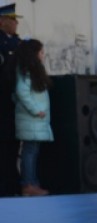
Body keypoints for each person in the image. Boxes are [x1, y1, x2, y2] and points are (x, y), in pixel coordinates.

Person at [14, 38, 53, 197]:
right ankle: (28, 184)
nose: (43, 55)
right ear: (34, 54)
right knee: (30, 152)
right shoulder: (26, 70)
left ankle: (33, 183)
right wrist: (36, 111)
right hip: (32, 118)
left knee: (33, 151)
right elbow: (22, 92)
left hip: (36, 120)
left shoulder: (33, 69)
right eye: (41, 52)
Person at [0, 4, 22, 197]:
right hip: (3, 99)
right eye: (12, 20)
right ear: (2, 22)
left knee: (13, 144)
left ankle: (13, 183)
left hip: (16, 101)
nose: (16, 23)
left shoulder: (18, 42)